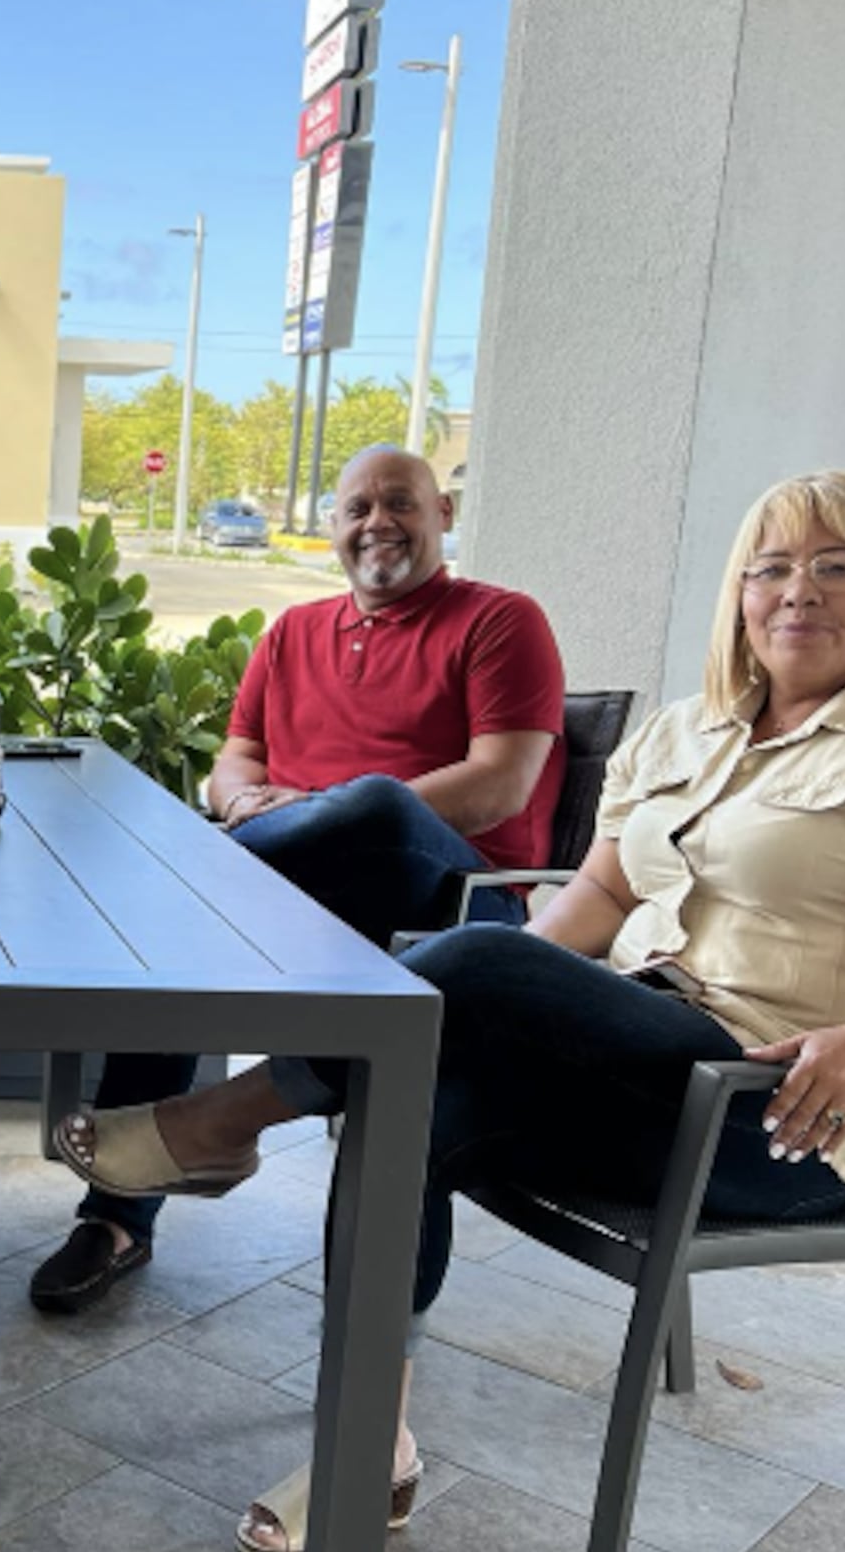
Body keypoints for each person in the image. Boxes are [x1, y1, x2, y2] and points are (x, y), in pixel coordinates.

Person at [56, 469, 845, 1552]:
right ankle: (367, 1447)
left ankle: (222, 1121)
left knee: (466, 955)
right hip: (625, 1057)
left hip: (769, 1113)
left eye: (833, 565)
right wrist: (481, 998)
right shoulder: (685, 733)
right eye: (768, 568)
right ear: (738, 595)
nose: (794, 592)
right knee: (409, 1087)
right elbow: (600, 904)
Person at [31, 444, 568, 1313]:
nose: (377, 523)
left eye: (400, 503)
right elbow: (232, 766)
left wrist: (318, 806)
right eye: (356, 508)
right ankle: (118, 1216)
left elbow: (499, 785)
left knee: (373, 810)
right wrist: (250, 798)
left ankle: (165, 886)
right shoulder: (291, 634)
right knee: (190, 922)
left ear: (445, 515)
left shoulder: (500, 621)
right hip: (295, 892)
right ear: (331, 529)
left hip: (452, 902)